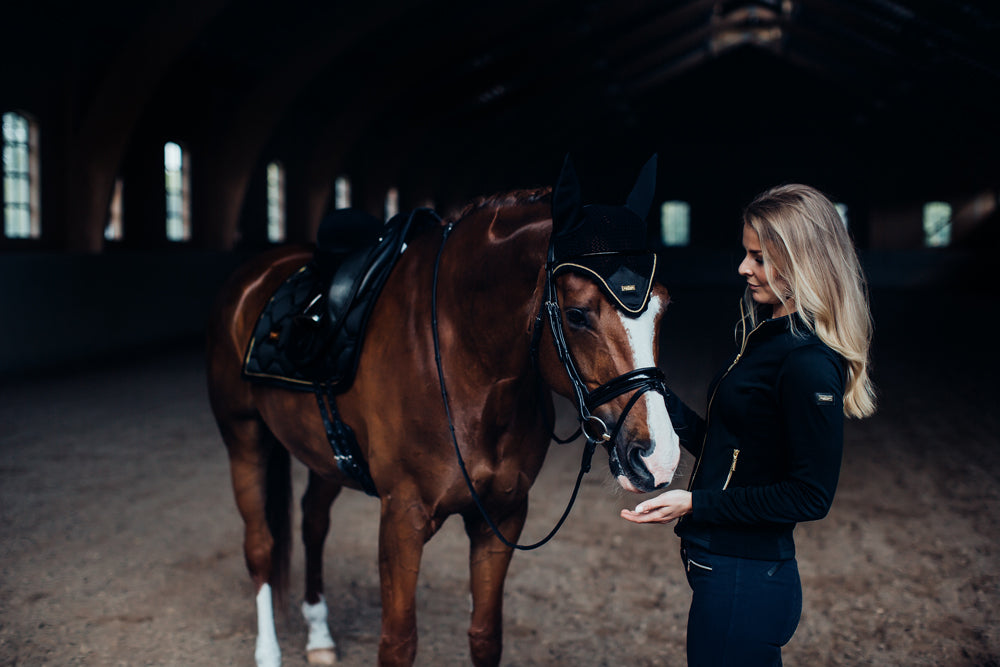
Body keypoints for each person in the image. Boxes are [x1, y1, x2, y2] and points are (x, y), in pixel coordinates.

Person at [620, 183, 876, 666]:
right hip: (726, 570)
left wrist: (696, 501)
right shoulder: (768, 337)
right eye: (746, 253)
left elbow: (810, 496)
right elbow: (731, 444)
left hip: (747, 579)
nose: (743, 268)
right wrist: (650, 393)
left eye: (758, 258)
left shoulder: (806, 362)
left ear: (802, 262)